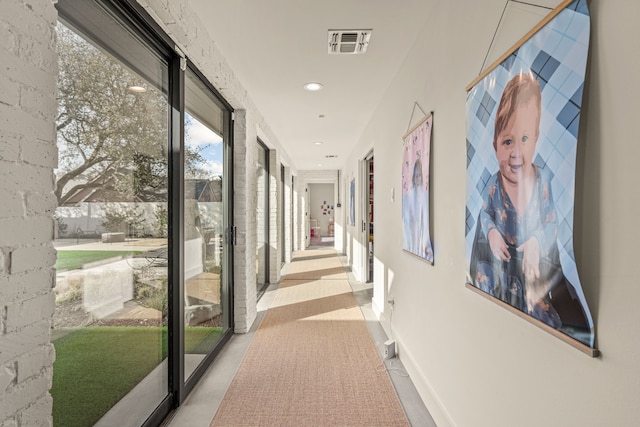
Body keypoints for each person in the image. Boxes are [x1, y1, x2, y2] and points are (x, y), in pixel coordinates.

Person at [469, 72, 589, 333]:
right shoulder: (493, 184)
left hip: (532, 271)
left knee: (551, 316)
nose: (516, 153)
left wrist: (536, 243)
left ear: (535, 138)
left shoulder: (542, 181)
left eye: (524, 139)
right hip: (502, 267)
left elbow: (550, 223)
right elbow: (485, 215)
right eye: (508, 141)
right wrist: (491, 234)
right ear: (495, 146)